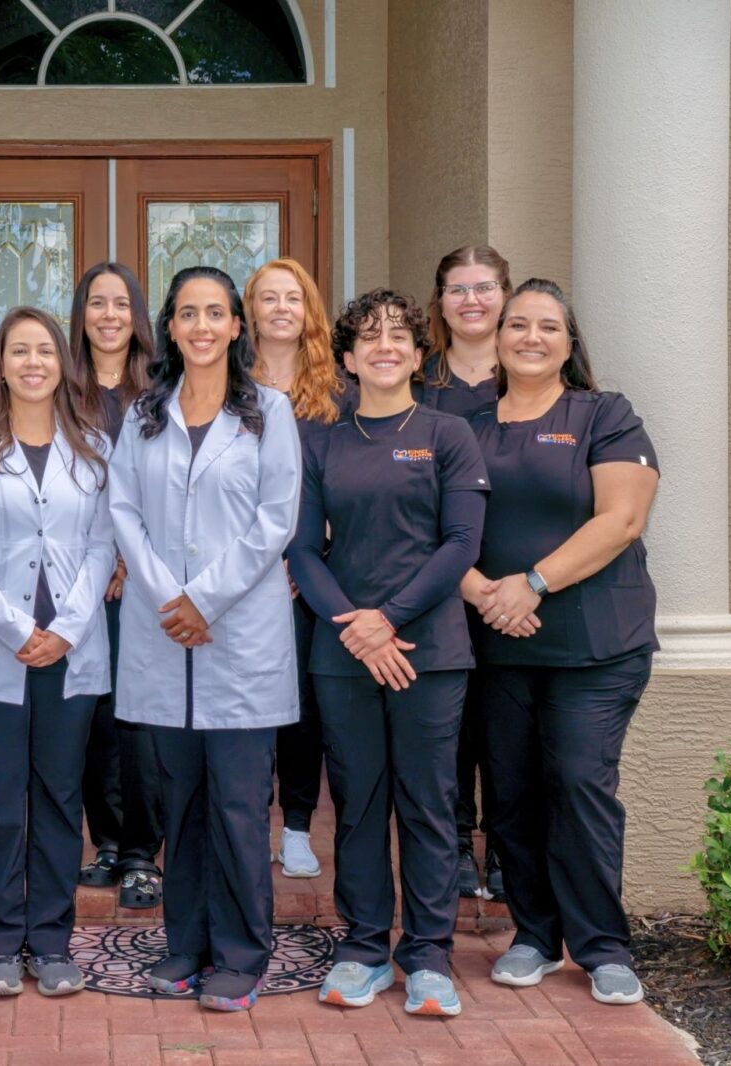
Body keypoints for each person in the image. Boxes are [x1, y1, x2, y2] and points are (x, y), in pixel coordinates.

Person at [289, 289, 489, 1016]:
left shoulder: (445, 435)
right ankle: (364, 947)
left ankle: (430, 956)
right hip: (343, 653)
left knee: (430, 804)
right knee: (359, 802)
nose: (383, 346)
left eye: (397, 335)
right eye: (367, 336)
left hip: (428, 650)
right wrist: (353, 623)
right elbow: (304, 551)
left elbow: (461, 545)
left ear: (416, 351)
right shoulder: (323, 443)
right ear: (346, 358)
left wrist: (388, 619)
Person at [109, 266, 302, 1012]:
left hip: (239, 637)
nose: (200, 325)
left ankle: (243, 954)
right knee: (180, 803)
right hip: (165, 633)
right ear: (171, 326)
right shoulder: (143, 414)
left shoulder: (269, 412)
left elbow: (275, 519)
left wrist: (205, 599)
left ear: (234, 326)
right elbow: (123, 507)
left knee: (238, 807)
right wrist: (169, 596)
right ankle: (184, 944)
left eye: (214, 312)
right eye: (187, 312)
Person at [463, 278, 660, 1006]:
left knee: (578, 783)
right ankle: (535, 936)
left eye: (548, 326)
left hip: (595, 647)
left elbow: (622, 521)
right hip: (498, 642)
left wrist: (532, 583)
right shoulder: (468, 423)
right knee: (510, 795)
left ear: (570, 342)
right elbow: (438, 527)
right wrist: (486, 591)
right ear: (498, 337)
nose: (531, 337)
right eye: (518, 324)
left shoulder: (606, 415)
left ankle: (603, 947)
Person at [0, 307, 115, 997]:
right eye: (19, 350)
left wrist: (66, 627)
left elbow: (104, 544)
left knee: (59, 795)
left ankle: (53, 941)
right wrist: (16, 629)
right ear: (1, 363)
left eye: (45, 350)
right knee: (1, 800)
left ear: (62, 364)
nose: (33, 362)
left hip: (71, 651)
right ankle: (2, 946)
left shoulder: (95, 447)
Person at [244, 257, 348, 880]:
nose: (282, 308)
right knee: (250, 703)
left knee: (304, 707)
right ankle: (249, 819)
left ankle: (300, 825)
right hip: (243, 579)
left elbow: (352, 489)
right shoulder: (227, 388)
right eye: (268, 297)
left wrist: (306, 560)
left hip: (314, 576)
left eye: (294, 298)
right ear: (249, 312)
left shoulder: (339, 395)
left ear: (309, 311)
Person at [69, 261, 166, 909]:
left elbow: (169, 489)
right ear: (80, 316)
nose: (109, 315)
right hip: (80, 582)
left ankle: (141, 853)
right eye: (97, 304)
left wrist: (131, 560)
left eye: (121, 304)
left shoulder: (162, 391)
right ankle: (105, 841)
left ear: (138, 317)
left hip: (147, 582)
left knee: (141, 721)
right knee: (92, 717)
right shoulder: (59, 391)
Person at [419, 245, 514, 901]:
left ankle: (506, 850)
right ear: (440, 300)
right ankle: (453, 846)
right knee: (448, 728)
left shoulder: (531, 375)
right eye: (457, 288)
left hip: (518, 586)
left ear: (505, 294)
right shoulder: (419, 384)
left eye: (484, 287)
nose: (471, 300)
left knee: (507, 727)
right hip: (435, 579)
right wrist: (465, 580)